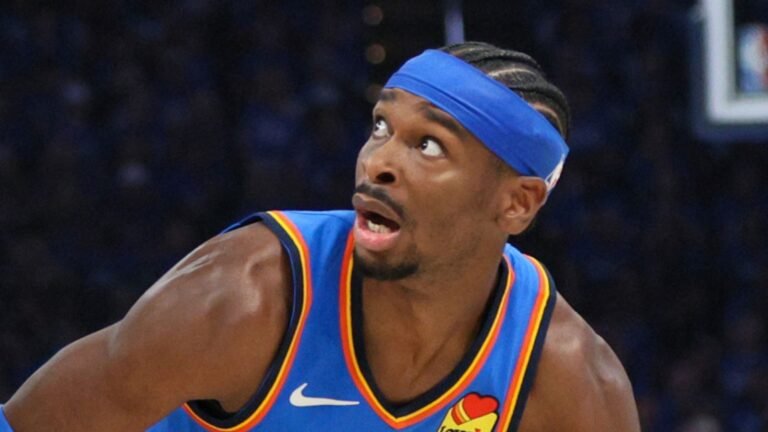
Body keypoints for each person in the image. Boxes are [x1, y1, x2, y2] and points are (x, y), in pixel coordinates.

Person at [1, 41, 640, 431]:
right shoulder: (245, 298)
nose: (377, 162)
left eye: (428, 145)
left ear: (517, 203)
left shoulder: (565, 377)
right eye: (381, 127)